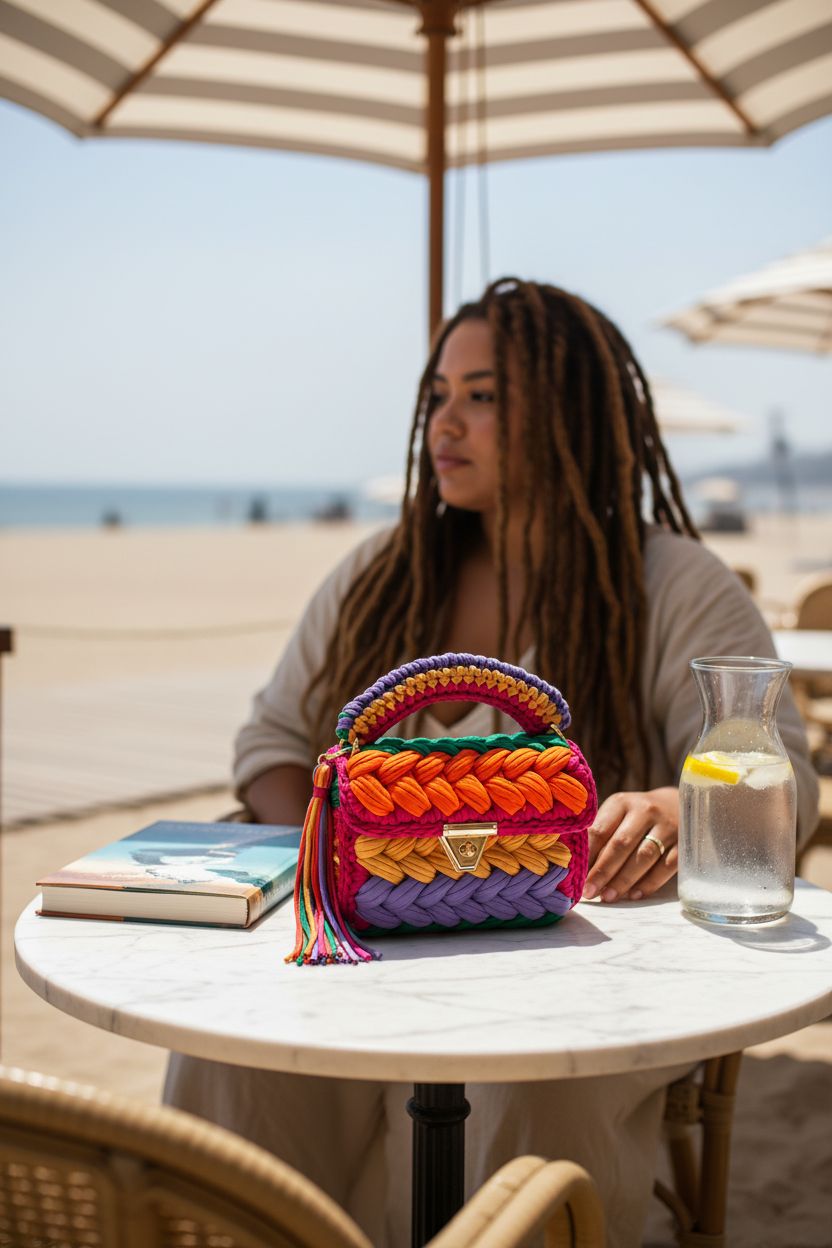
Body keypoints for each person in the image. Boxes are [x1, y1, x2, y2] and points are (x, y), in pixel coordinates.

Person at [164, 278, 818, 1247]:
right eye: (437, 396)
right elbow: (271, 744)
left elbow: (781, 775)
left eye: (483, 397)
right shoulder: (383, 573)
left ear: (569, 415)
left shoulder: (673, 582)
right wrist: (326, 838)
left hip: (582, 967)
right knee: (233, 1054)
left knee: (520, 1083)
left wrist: (674, 811)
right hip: (363, 945)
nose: (445, 422)